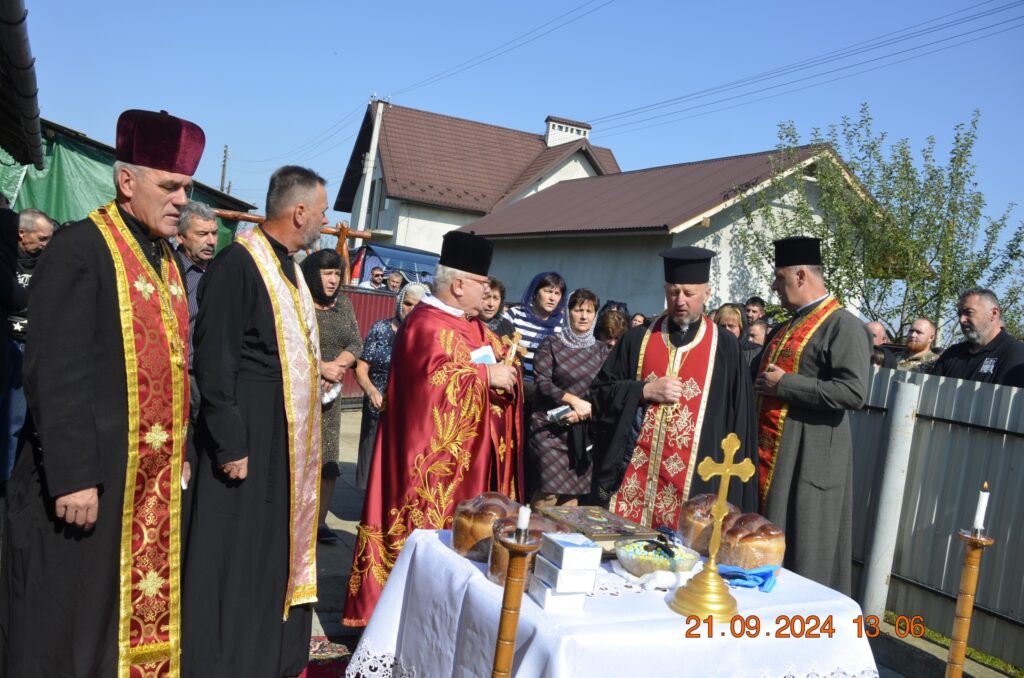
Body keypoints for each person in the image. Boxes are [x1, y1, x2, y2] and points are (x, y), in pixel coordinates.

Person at [0, 109, 204, 676]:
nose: (182, 199)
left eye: (186, 187)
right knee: (71, 623)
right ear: (126, 181)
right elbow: (54, 370)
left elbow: (175, 364)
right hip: (84, 482)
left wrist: (181, 452)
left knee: (114, 619)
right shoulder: (79, 249)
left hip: (142, 479)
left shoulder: (162, 257)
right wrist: (73, 476)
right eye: (170, 185)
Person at [183, 166, 327, 677]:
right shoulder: (238, 264)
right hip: (246, 435)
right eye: (323, 212)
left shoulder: (289, 265)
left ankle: (268, 654)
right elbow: (215, 357)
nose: (326, 222)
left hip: (283, 439)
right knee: (235, 554)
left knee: (270, 552)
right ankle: (226, 658)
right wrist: (230, 443)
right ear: (299, 211)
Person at [343, 231, 523, 627]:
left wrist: (507, 372)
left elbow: (486, 367)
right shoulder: (424, 324)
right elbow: (427, 386)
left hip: (466, 466)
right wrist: (485, 375)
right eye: (482, 283)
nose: (488, 291)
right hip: (424, 469)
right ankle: (396, 620)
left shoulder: (473, 325)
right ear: (459, 285)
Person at [588, 247, 759, 529]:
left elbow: (739, 424)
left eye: (689, 293)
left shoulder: (726, 348)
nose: (680, 301)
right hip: (630, 484)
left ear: (707, 293)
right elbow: (599, 395)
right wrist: (642, 391)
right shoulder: (638, 338)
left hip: (696, 488)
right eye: (673, 292)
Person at [754, 236, 870, 595]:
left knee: (806, 558)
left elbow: (854, 392)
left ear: (801, 275)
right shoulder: (788, 324)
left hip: (811, 461)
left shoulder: (842, 325)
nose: (774, 286)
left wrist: (786, 384)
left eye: (779, 277)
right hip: (775, 458)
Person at [300, 249, 363, 544]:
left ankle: (320, 521)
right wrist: (319, 368)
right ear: (314, 274)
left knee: (328, 460)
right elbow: (291, 339)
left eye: (337, 274)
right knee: (299, 457)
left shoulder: (344, 305)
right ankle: (296, 518)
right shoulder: (299, 302)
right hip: (300, 390)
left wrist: (336, 367)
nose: (333, 280)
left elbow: (355, 342)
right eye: (327, 273)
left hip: (331, 397)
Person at [529, 289, 609, 508]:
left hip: (582, 432)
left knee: (571, 497)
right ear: (567, 312)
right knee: (548, 494)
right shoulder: (551, 344)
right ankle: (532, 538)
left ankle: (560, 541)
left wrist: (586, 411)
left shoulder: (602, 351)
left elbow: (607, 390)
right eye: (578, 310)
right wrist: (573, 400)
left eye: (589, 311)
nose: (583, 316)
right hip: (549, 430)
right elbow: (542, 383)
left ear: (595, 315)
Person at [352, 282, 428, 490]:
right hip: (377, 406)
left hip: (409, 412)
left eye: (417, 305)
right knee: (371, 462)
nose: (411, 310)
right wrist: (371, 391)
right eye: (408, 303)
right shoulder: (380, 329)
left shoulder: (427, 336)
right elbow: (361, 367)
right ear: (399, 302)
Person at [3, 209, 53, 482]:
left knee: (15, 420)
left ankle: (6, 479)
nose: (46, 244)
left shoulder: (47, 264)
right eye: (42, 238)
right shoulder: (6, 260)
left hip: (29, 348)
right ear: (22, 233)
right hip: (6, 343)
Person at [930, 288, 1024, 386]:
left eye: (969, 312)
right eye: (959, 314)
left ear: (993, 313)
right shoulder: (951, 354)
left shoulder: (1016, 354)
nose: (962, 320)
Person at [507, 271, 567, 392]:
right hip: (513, 384)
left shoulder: (563, 324)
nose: (553, 298)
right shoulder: (515, 315)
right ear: (535, 292)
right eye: (548, 291)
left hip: (545, 390)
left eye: (557, 293)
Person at [716, 302, 761, 368]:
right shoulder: (711, 350)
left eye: (731, 326)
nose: (726, 329)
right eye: (722, 326)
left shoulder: (756, 353)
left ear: (741, 328)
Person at [480, 275, 515, 340]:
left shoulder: (507, 326)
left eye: (496, 298)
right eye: (486, 297)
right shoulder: (465, 323)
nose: (491, 304)